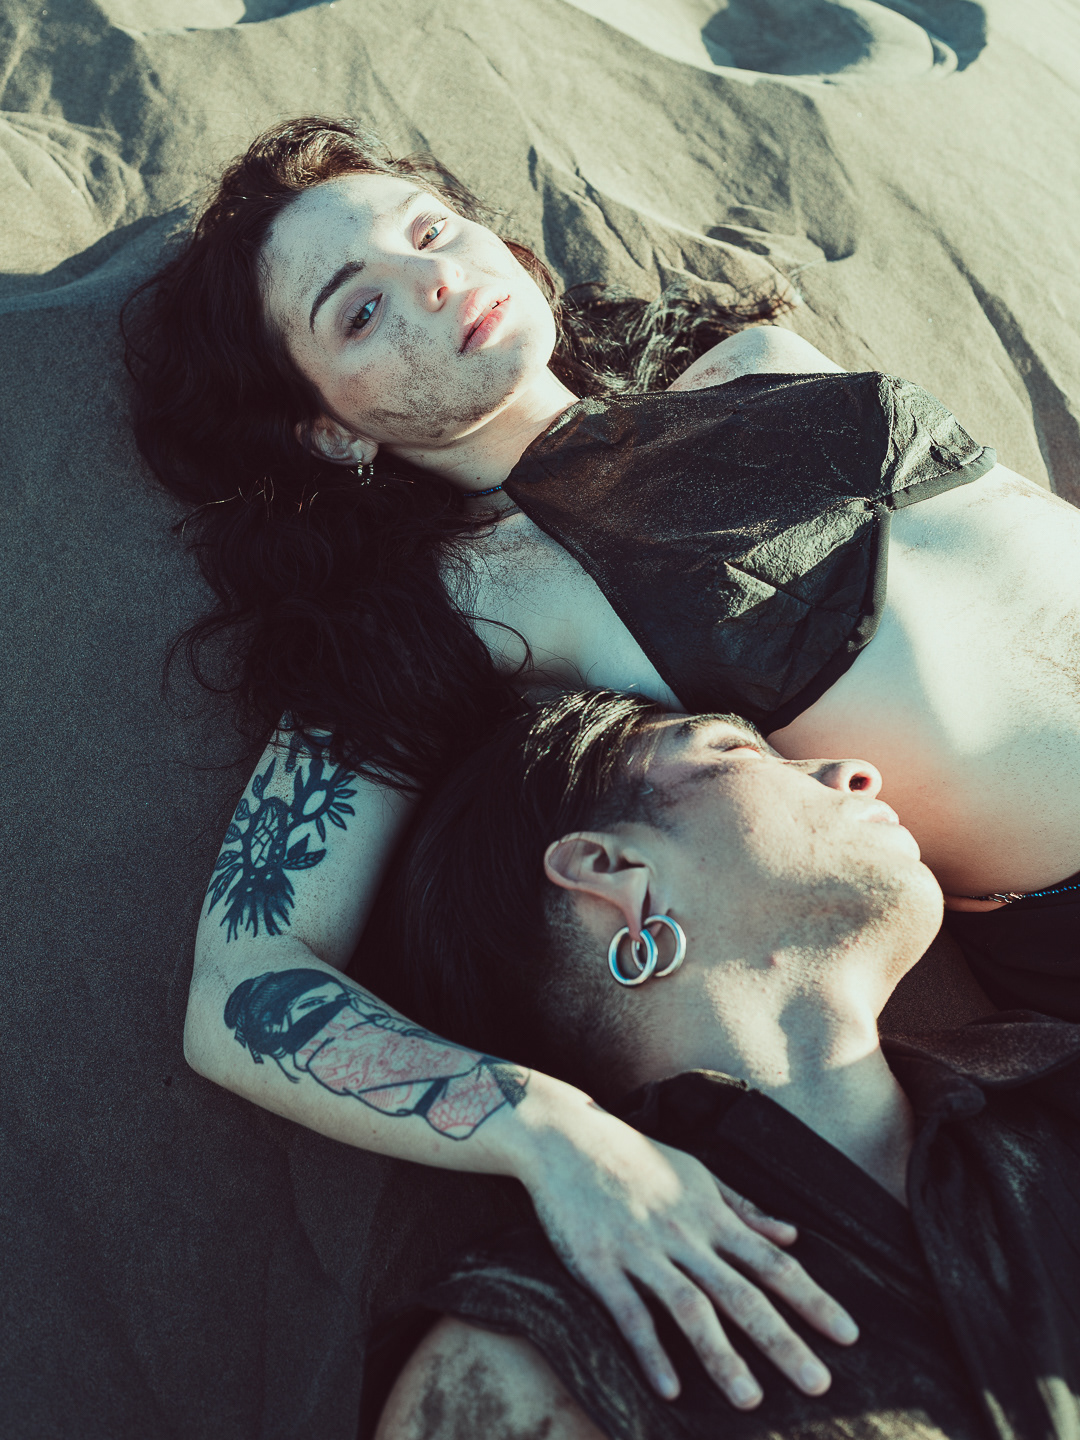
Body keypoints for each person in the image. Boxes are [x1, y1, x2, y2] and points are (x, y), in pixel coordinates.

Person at [122, 114, 1080, 1399]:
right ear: (329, 433)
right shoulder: (475, 603)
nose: (431, 279)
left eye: (430, 231)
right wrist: (544, 1132)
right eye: (360, 310)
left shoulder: (752, 360)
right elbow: (244, 982)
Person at [359, 690, 1080, 1440]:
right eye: (735, 749)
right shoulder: (537, 1361)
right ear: (613, 870)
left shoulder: (1054, 1080)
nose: (856, 771)